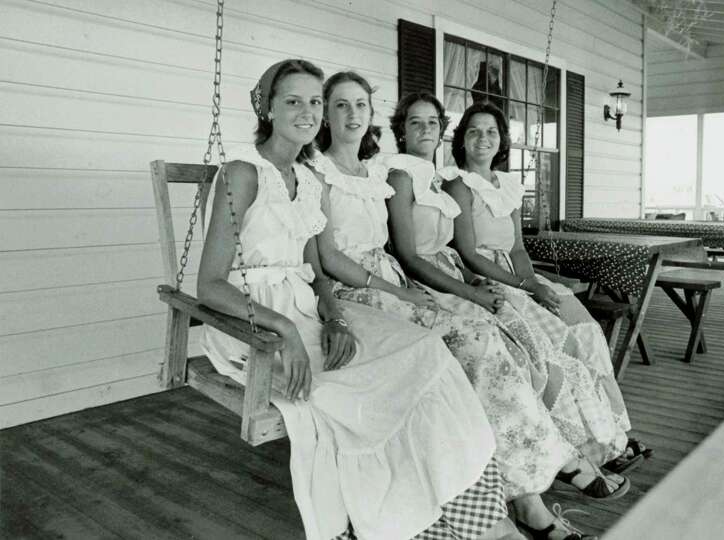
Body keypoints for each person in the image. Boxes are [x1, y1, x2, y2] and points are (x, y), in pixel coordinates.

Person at [198, 59, 518, 540]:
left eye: (312, 101)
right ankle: (399, 522)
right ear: (267, 109)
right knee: (370, 390)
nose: (306, 112)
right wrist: (283, 329)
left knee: (425, 352)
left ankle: (481, 517)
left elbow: (316, 270)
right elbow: (210, 286)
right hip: (251, 323)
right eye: (293, 101)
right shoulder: (243, 173)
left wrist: (333, 317)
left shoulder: (307, 178)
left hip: (307, 312)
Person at [308, 73, 623, 540]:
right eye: (340, 106)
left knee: (495, 343)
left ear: (371, 115)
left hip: (397, 286)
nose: (352, 115)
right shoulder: (320, 172)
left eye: (360, 106)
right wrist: (416, 291)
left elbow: (410, 247)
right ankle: (522, 494)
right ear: (325, 114)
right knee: (475, 346)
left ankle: (532, 489)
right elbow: (334, 258)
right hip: (367, 295)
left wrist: (498, 282)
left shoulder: (373, 174)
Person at [443, 101, 654, 477]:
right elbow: (469, 254)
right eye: (474, 131)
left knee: (586, 332)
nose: (483, 139)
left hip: (520, 277)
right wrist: (524, 288)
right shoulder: (459, 185)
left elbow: (519, 249)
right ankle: (583, 445)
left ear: (501, 140)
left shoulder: (506, 185)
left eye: (491, 132)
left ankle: (614, 434)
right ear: (461, 139)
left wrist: (536, 284)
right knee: (557, 346)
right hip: (489, 278)